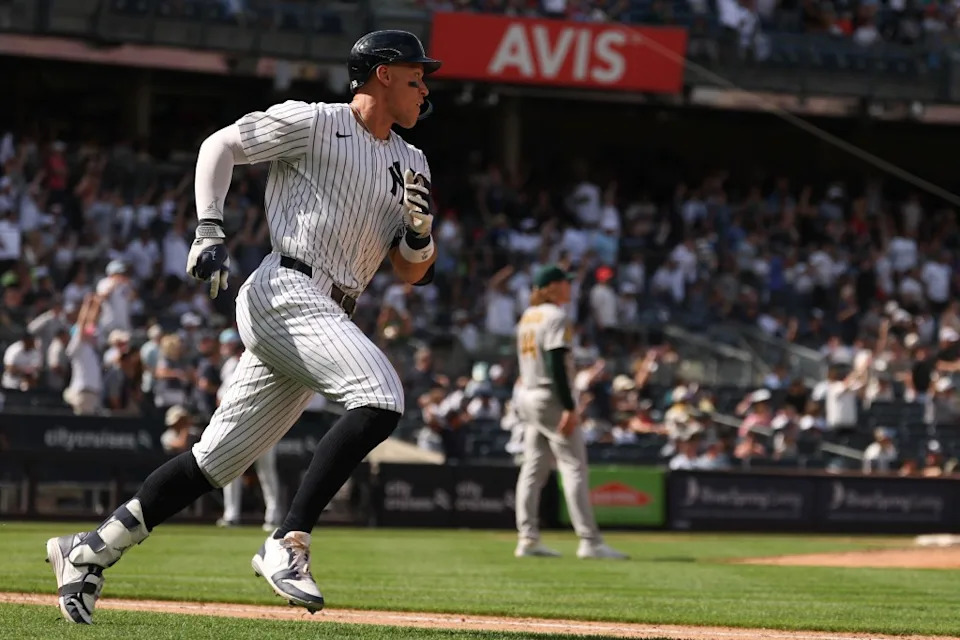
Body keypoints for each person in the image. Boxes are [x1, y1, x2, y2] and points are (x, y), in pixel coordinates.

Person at [45, 29, 441, 624]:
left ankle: (90, 550)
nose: (425, 84)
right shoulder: (314, 121)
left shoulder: (412, 160)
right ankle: (290, 541)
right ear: (382, 73)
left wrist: (419, 233)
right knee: (381, 396)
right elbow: (219, 146)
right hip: (286, 287)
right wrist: (209, 227)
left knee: (214, 461)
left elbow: (413, 273)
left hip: (329, 310)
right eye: (416, 73)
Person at [512, 264, 629, 560]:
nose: (569, 286)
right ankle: (590, 541)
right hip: (550, 395)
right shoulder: (556, 315)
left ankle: (527, 539)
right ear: (550, 287)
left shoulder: (528, 316)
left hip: (528, 395)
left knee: (533, 469)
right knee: (574, 467)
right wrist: (568, 406)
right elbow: (556, 365)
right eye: (563, 282)